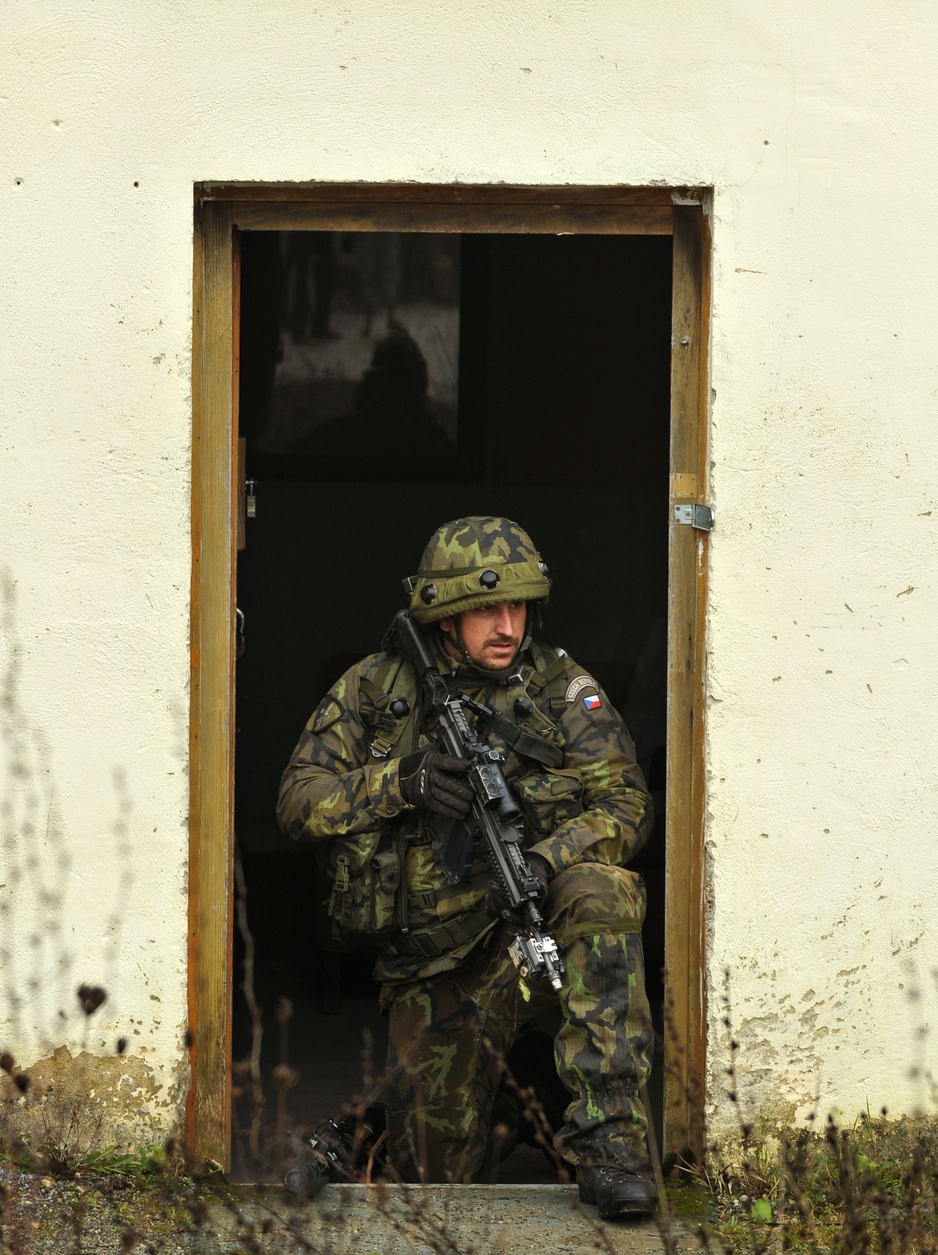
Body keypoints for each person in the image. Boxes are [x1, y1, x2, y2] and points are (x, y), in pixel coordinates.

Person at [276, 516, 656, 1218]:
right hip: (431, 966)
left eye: (518, 607)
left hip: (527, 937)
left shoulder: (561, 688)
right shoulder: (375, 690)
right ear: (443, 614)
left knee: (603, 891)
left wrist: (547, 860)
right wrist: (400, 780)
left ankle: (610, 1141)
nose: (507, 625)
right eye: (486, 608)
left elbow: (626, 801)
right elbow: (297, 803)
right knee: (440, 1178)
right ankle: (522, 1092)